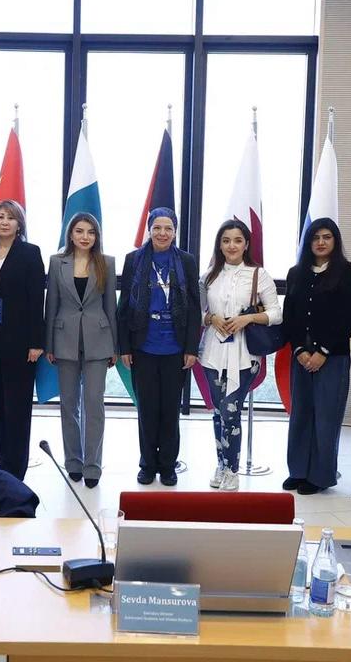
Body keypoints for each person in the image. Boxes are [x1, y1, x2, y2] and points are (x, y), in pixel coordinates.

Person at [117, 207, 200, 486]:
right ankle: (147, 464)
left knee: (170, 411)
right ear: (149, 230)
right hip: (143, 346)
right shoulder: (134, 260)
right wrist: (124, 347)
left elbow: (194, 306)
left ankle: (167, 465)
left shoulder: (186, 261)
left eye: (168, 228)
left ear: (175, 232)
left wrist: (191, 348)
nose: (162, 233)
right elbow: (124, 306)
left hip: (176, 348)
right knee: (147, 410)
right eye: (157, 228)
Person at [197, 219, 281, 492]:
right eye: (226, 241)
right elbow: (196, 312)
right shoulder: (208, 276)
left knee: (231, 409)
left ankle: (233, 468)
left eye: (237, 240)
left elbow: (276, 314)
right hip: (212, 353)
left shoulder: (258, 274)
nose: (231, 246)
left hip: (245, 356)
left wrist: (248, 319)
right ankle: (221, 464)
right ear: (219, 245)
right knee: (218, 411)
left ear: (246, 244)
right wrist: (211, 318)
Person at [282, 218, 351, 495]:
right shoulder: (296, 273)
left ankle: (319, 476)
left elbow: (347, 318)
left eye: (327, 237)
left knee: (326, 417)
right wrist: (299, 350)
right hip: (301, 357)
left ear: (335, 240)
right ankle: (298, 471)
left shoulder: (348, 272)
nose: (321, 242)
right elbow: (290, 316)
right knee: (301, 414)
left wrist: (323, 351)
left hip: (332, 358)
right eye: (315, 237)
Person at [0, 200, 45, 481]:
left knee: (18, 408)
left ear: (19, 224)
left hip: (21, 344)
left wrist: (36, 342)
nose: (4, 222)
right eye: (0, 217)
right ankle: (3, 461)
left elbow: (36, 300)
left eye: (10, 218)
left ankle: (17, 468)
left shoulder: (30, 253)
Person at [45, 213, 117, 489]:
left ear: (97, 236)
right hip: (64, 340)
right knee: (68, 404)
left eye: (91, 232)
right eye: (79, 231)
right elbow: (51, 304)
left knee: (94, 403)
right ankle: (73, 462)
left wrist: (115, 346)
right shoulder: (57, 262)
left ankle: (92, 465)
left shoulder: (106, 263)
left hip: (99, 340)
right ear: (71, 234)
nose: (85, 237)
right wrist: (49, 344)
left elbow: (111, 306)